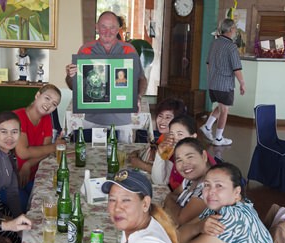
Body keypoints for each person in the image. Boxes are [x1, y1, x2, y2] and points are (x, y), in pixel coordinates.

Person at [65, 11, 147, 143]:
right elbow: (72, 85)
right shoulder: (85, 50)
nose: (107, 31)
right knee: (92, 159)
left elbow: (141, 79)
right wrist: (70, 75)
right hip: (92, 119)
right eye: (103, 26)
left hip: (122, 121)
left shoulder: (129, 49)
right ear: (97, 27)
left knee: (121, 159)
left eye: (112, 27)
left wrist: (137, 97)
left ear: (118, 29)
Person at [13, 84, 66, 209]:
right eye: (47, 98)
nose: (49, 105)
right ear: (37, 95)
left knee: (53, 198)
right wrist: (55, 146)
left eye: (54, 104)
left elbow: (45, 151)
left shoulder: (47, 118)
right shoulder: (18, 117)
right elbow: (23, 152)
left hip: (34, 174)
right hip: (11, 178)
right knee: (27, 204)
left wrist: (28, 164)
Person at [200, 18, 246, 146]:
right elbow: (236, 68)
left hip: (213, 83)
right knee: (225, 110)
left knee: (220, 106)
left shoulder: (214, 43)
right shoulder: (231, 46)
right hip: (225, 84)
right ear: (231, 30)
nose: (235, 31)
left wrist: (213, 77)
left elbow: (208, 64)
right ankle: (218, 138)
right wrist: (242, 83)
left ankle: (207, 127)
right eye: (235, 29)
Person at [152, 115, 217, 190]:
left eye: (180, 134)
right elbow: (159, 181)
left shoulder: (201, 160)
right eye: (172, 134)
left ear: (193, 136)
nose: (175, 139)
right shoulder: (172, 153)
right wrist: (160, 155)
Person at [129, 97, 186, 173]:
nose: (162, 121)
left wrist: (140, 164)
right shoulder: (165, 135)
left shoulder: (174, 143)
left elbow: (164, 173)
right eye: (160, 116)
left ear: (177, 120)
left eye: (168, 117)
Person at [163, 138, 210, 226]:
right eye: (179, 160)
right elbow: (173, 194)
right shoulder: (190, 179)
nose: (184, 164)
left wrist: (169, 200)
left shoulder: (208, 188)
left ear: (204, 156)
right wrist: (171, 200)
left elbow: (180, 220)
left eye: (190, 157)